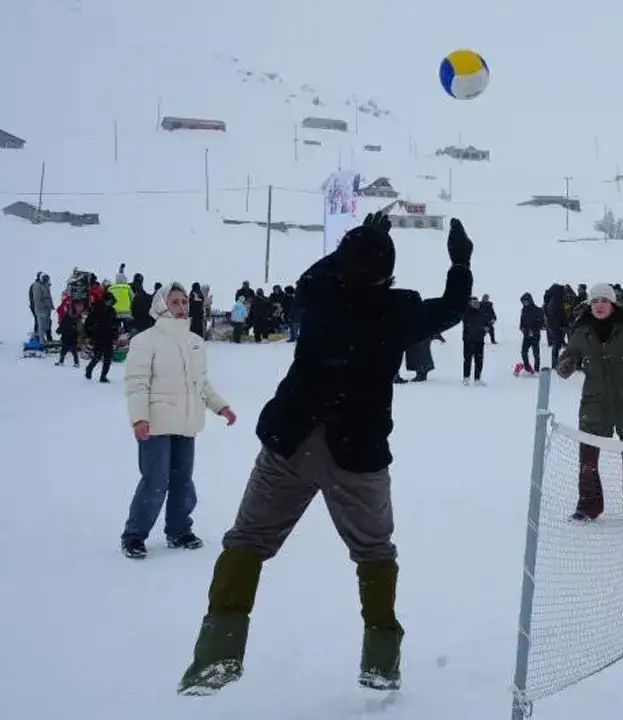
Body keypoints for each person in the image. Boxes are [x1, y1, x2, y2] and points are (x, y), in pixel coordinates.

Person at [177, 213, 472, 696]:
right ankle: (380, 662)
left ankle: (216, 658)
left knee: (248, 540)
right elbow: (453, 308)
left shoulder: (320, 298)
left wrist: (358, 240)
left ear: (344, 265)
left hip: (291, 441)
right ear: (387, 273)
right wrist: (460, 262)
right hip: (358, 453)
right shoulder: (399, 311)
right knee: (374, 551)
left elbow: (312, 277)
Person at [122, 283, 236, 559]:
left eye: (184, 302)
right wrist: (139, 418)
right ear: (161, 305)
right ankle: (134, 535)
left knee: (183, 481)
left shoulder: (195, 341)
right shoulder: (146, 340)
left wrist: (220, 407)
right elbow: (136, 383)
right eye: (175, 302)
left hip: (186, 422)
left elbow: (201, 383)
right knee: (155, 480)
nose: (183, 307)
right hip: (157, 423)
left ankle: (179, 530)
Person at [556, 283, 623, 524]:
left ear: (612, 304)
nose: (599, 305)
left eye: (604, 300)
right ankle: (588, 507)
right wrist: (567, 365)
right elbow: (564, 362)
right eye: (595, 301)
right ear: (589, 305)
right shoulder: (582, 333)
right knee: (588, 461)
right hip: (594, 405)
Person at [84, 293, 119, 382]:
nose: (111, 302)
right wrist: (89, 334)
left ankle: (100, 375)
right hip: (100, 335)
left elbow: (115, 324)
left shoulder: (110, 310)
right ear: (106, 300)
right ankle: (92, 371)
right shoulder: (96, 309)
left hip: (105, 335)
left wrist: (115, 334)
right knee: (101, 356)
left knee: (104, 356)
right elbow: (88, 323)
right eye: (110, 300)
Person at [461, 296, 488, 385]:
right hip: (468, 340)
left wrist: (487, 327)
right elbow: (471, 325)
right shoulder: (466, 313)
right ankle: (466, 378)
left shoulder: (482, 313)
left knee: (479, 360)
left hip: (479, 340)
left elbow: (486, 323)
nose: (477, 304)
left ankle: (477, 379)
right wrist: (482, 328)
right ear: (470, 304)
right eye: (474, 303)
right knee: (467, 359)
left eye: (477, 302)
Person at [518, 291, 544, 374]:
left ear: (530, 300)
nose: (524, 303)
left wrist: (533, 331)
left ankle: (536, 370)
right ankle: (527, 368)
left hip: (535, 335)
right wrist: (521, 327)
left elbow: (542, 324)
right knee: (523, 352)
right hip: (526, 335)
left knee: (536, 353)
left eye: (526, 301)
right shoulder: (523, 310)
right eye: (523, 301)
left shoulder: (538, 310)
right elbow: (522, 321)